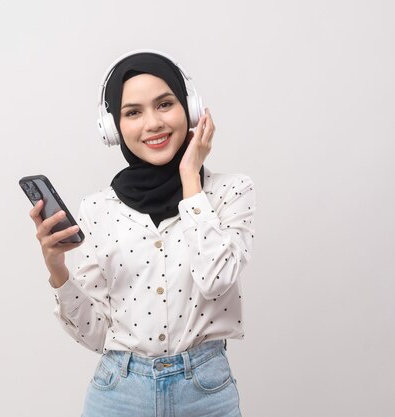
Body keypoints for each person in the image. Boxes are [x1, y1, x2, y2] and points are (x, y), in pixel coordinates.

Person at [28, 50, 256, 417]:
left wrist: (189, 181)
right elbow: (97, 335)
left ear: (190, 108)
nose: (152, 123)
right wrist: (57, 268)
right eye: (133, 112)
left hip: (206, 393)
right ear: (112, 127)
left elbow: (216, 280)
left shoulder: (230, 192)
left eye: (165, 104)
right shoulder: (97, 209)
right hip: (118, 393)